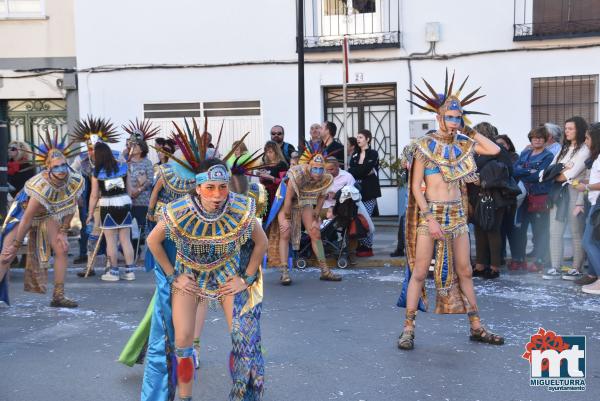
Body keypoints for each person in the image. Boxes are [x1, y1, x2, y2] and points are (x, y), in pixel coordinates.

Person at [140, 128, 267, 400]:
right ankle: (184, 398)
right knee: (183, 342)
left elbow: (262, 243)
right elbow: (153, 241)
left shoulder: (240, 207)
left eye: (222, 187)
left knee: (243, 340)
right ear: (198, 187)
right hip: (189, 274)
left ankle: (244, 396)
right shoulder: (179, 210)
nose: (217, 194)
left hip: (227, 274)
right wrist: (174, 276)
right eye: (209, 188)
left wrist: (245, 277)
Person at [398, 70, 504, 350]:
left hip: (457, 216)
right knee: (420, 272)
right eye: (451, 117)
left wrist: (469, 130)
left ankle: (476, 326)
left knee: (465, 271)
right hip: (431, 215)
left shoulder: (464, 145)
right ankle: (408, 329)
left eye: (459, 117)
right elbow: (416, 186)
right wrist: (429, 218)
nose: (454, 122)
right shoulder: (424, 147)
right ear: (439, 117)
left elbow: (494, 150)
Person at [0, 130, 84, 307]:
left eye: (63, 165)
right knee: (7, 254)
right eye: (56, 167)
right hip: (23, 211)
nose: (61, 170)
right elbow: (27, 218)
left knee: (61, 248)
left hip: (48, 212)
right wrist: (16, 244)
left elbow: (71, 204)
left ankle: (58, 296)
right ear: (48, 168)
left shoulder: (75, 180)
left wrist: (63, 231)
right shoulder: (40, 187)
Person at [264, 146, 342, 284]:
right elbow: (288, 198)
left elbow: (322, 196)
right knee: (285, 232)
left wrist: (316, 214)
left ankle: (325, 270)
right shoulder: (298, 174)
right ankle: (284, 272)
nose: (318, 172)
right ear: (309, 166)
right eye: (315, 168)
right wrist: (287, 218)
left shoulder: (325, 177)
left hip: (305, 203)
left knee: (315, 233)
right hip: (287, 204)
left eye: (320, 168)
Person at [70, 116, 121, 271]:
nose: (92, 151)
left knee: (110, 235)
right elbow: (72, 176)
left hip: (108, 201)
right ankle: (89, 263)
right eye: (90, 147)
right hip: (88, 201)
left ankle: (109, 264)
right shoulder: (81, 158)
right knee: (90, 233)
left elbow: (123, 178)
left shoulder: (116, 157)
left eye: (95, 147)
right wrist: (77, 196)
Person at [543, 116, 590, 280]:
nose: (567, 131)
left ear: (579, 130)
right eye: (566, 128)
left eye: (571, 128)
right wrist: (561, 169)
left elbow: (569, 175)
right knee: (554, 231)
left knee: (576, 231)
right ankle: (555, 267)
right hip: (557, 192)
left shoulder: (585, 149)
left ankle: (577, 268)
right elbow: (547, 173)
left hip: (575, 192)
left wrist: (560, 171)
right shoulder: (563, 149)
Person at [469, 123, 516, 279]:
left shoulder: (497, 149)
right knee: (479, 230)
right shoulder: (477, 150)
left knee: (492, 230)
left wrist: (482, 179)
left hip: (494, 196)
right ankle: (480, 265)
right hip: (477, 195)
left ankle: (495, 267)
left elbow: (507, 171)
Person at [87, 142, 136, 282]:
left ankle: (113, 272)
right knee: (126, 240)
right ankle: (130, 271)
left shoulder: (96, 172)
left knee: (111, 241)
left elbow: (94, 195)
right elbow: (130, 190)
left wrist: (90, 213)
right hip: (125, 203)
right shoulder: (124, 167)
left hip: (108, 206)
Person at [511, 126, 554, 272]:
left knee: (540, 230)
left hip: (539, 196)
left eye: (540, 137)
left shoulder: (548, 156)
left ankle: (540, 260)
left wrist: (523, 171)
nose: (537, 140)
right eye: (534, 137)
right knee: (520, 229)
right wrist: (529, 170)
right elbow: (513, 170)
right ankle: (519, 259)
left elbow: (539, 175)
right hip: (523, 198)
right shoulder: (525, 153)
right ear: (530, 139)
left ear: (546, 139)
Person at [123, 119, 159, 260]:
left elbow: (150, 180)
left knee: (142, 227)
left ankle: (142, 251)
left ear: (142, 148)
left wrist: (138, 191)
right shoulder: (126, 162)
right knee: (129, 229)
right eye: (132, 145)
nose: (133, 147)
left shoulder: (147, 162)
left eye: (136, 146)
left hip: (142, 199)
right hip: (128, 199)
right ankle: (133, 253)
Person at [575, 122, 600, 294]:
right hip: (595, 201)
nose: (585, 141)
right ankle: (595, 277)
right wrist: (587, 183)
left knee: (588, 241)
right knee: (594, 241)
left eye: (588, 138)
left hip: (598, 203)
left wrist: (587, 187)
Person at [348, 129, 381, 257]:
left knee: (366, 218)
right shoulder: (355, 155)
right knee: (358, 218)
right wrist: (363, 171)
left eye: (361, 137)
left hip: (369, 191)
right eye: (357, 137)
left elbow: (364, 169)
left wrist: (360, 170)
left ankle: (368, 246)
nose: (358, 139)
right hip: (356, 192)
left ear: (367, 139)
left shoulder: (373, 153)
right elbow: (352, 170)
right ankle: (360, 244)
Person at [260, 140, 289, 219]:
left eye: (270, 152)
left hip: (276, 196)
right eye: (267, 152)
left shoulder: (282, 164)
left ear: (276, 152)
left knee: (274, 217)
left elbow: (284, 182)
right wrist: (260, 175)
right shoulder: (264, 164)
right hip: (265, 196)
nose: (268, 154)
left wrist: (270, 177)